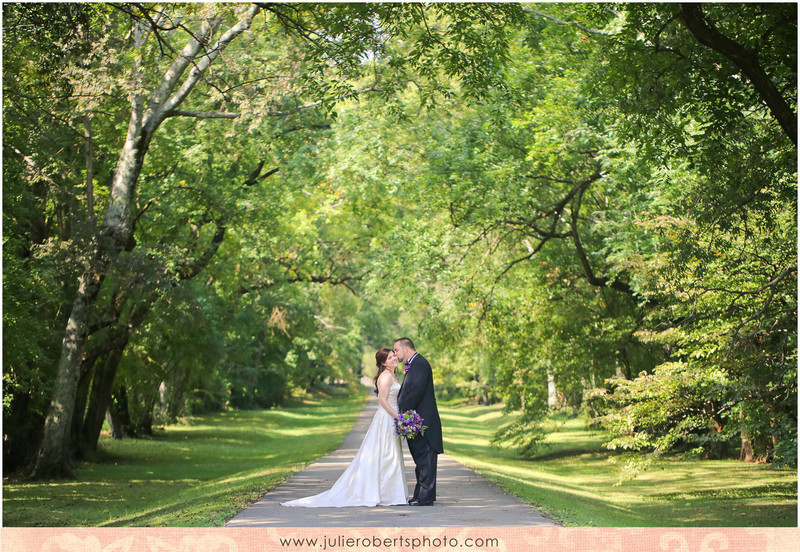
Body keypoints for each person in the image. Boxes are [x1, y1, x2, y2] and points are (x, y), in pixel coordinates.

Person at [281, 348, 408, 507]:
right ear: (383, 363)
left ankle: (390, 494)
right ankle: (384, 495)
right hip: (387, 418)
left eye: (394, 355)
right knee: (386, 454)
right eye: (390, 358)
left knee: (391, 453)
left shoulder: (393, 375)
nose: (394, 358)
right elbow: (382, 400)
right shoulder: (385, 377)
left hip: (393, 416)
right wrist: (398, 417)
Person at [394, 337, 443, 506]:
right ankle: (420, 494)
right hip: (416, 420)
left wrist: (402, 412)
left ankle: (426, 497)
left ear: (406, 349)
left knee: (426, 459)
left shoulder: (420, 364)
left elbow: (413, 392)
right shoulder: (414, 364)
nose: (395, 354)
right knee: (421, 460)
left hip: (423, 421)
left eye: (397, 350)